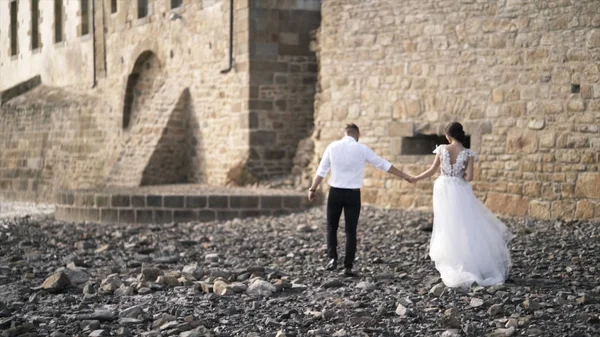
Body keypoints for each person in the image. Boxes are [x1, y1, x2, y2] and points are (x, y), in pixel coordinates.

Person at [411, 121, 513, 288]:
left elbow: (432, 170)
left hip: (443, 187)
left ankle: (452, 259)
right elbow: (469, 177)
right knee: (464, 224)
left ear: (448, 136)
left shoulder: (442, 149)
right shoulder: (468, 153)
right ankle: (469, 261)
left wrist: (415, 178)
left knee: (446, 224)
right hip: (460, 189)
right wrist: (461, 175)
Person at [308, 123, 414, 277]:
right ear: (357, 134)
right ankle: (348, 266)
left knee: (332, 226)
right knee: (351, 230)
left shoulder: (332, 146)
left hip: (335, 193)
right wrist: (405, 176)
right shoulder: (362, 148)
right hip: (353, 194)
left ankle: (332, 259)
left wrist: (313, 188)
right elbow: (383, 164)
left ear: (344, 133)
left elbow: (322, 170)